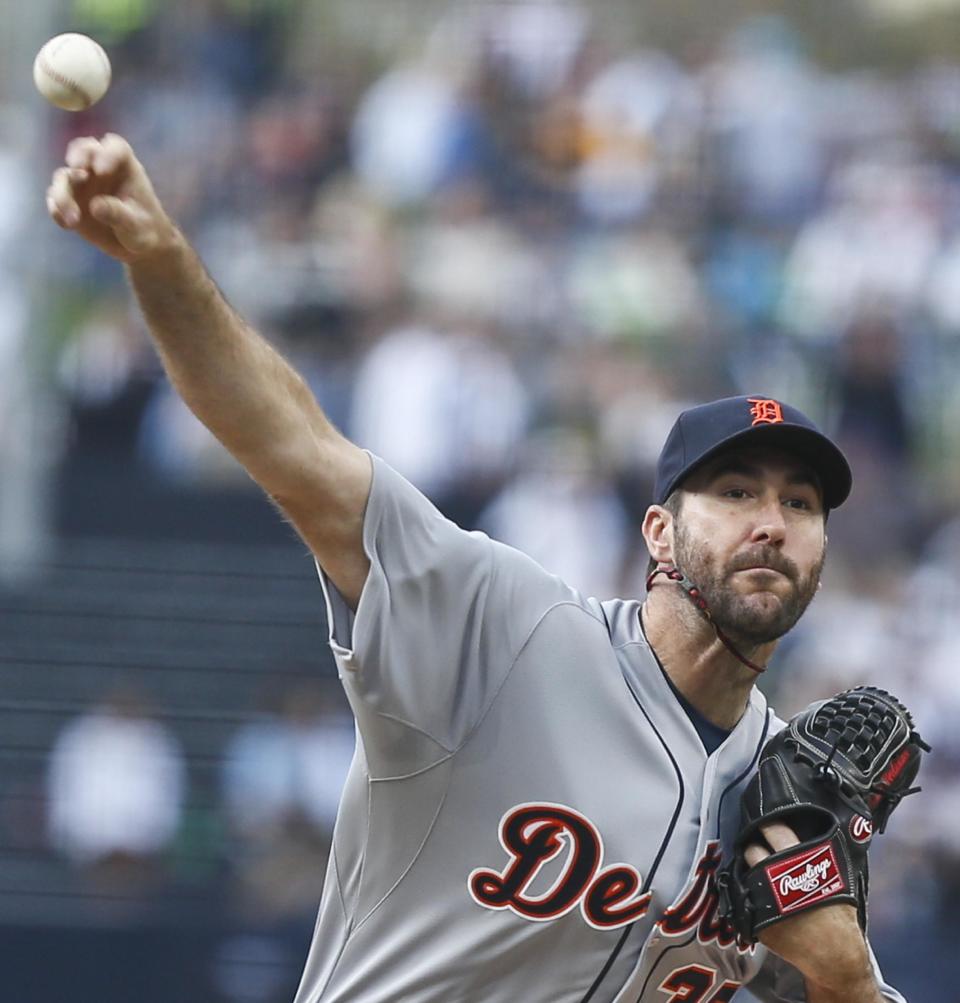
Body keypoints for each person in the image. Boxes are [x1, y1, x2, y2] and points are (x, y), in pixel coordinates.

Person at [46, 134, 905, 1003]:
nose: (770, 522)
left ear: (824, 556)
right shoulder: (503, 625)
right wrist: (161, 260)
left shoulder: (786, 797)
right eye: (734, 490)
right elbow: (294, 448)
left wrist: (851, 981)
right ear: (657, 533)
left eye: (801, 504)